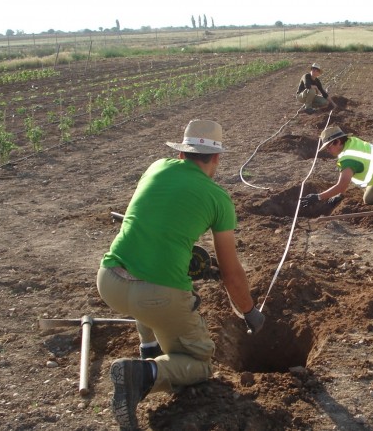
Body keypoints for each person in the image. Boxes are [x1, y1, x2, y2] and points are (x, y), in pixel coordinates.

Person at [96, 119, 265, 430]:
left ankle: (150, 349)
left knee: (143, 293)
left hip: (109, 280)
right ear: (216, 158)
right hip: (157, 297)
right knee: (201, 365)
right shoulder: (217, 199)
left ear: (181, 154)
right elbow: (231, 275)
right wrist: (250, 311)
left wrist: (187, 255)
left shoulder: (156, 167)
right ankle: (143, 375)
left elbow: (157, 223)